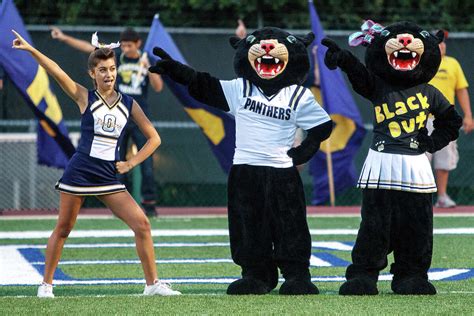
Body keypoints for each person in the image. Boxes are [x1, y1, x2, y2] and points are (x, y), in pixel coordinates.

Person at [11, 30, 180, 298]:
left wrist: (130, 163)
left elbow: (154, 138)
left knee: (142, 225)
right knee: (64, 228)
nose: (109, 74)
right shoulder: (83, 97)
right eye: (102, 70)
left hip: (108, 176)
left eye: (112, 69)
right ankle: (46, 284)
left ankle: (152, 285)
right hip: (80, 173)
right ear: (92, 74)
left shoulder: (129, 103)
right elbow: (56, 70)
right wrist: (31, 50)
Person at [51, 27, 163, 216]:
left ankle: (149, 204)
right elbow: (90, 50)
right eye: (124, 45)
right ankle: (117, 202)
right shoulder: (116, 57)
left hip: (131, 112)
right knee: (116, 162)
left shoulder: (146, 60)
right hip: (112, 115)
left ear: (138, 44)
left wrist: (149, 69)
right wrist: (64, 37)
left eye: (130, 45)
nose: (126, 49)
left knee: (146, 167)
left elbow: (158, 87)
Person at [428, 30, 473, 207]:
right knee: (419, 160)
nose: (442, 45)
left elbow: (461, 89)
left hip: (445, 121)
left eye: (443, 42)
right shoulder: (420, 63)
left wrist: (468, 115)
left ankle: (442, 197)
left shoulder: (453, 63)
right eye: (438, 42)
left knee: (444, 160)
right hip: (421, 120)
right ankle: (420, 199)